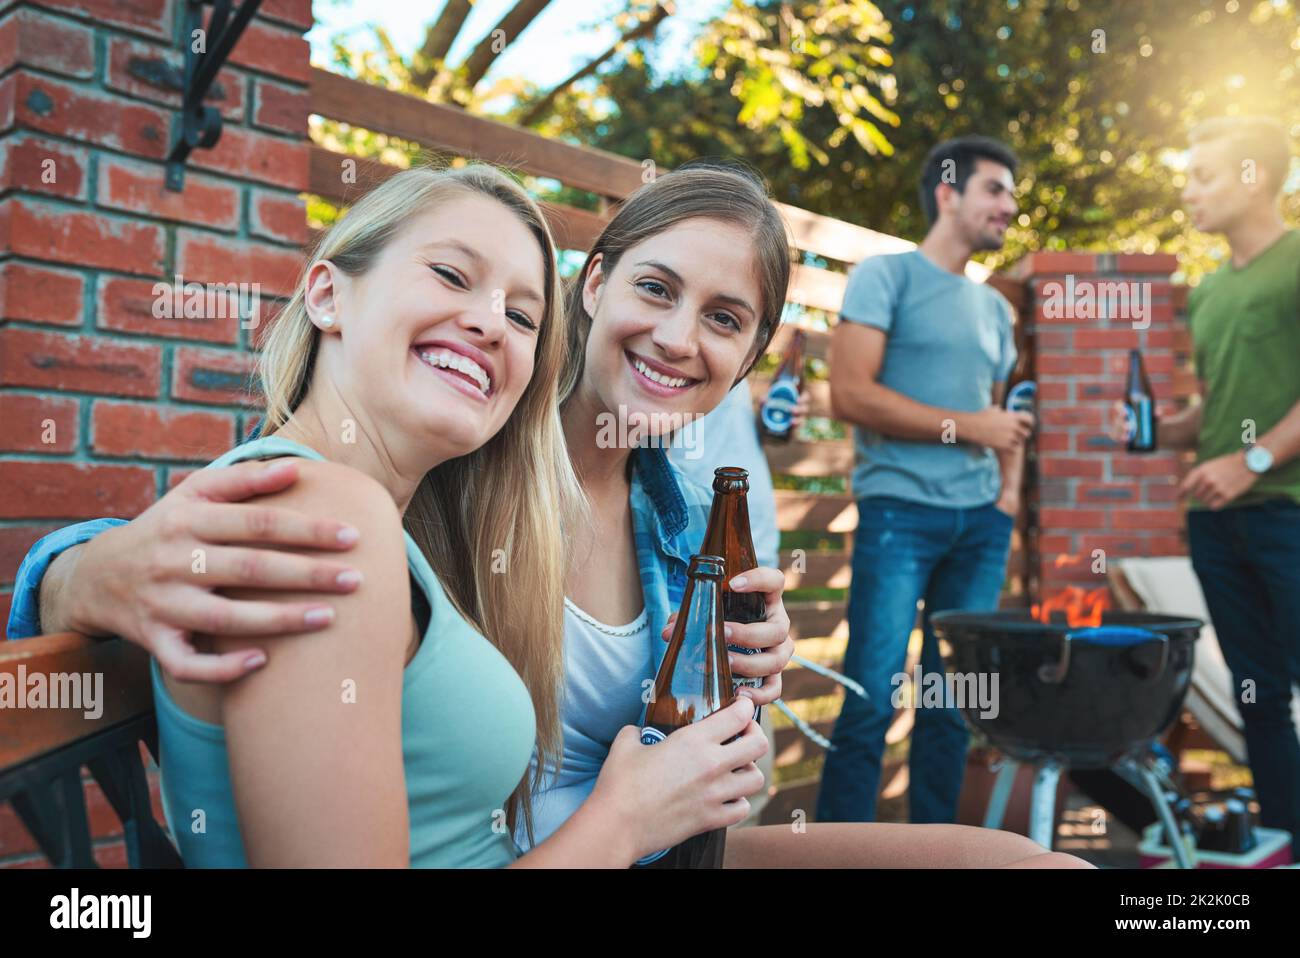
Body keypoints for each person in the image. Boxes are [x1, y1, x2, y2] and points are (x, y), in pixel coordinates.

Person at [12, 162, 1086, 868]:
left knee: (1027, 866)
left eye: (723, 319)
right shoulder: (435, 469)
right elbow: (233, 531)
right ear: (599, 285)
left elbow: (686, 768)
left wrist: (732, 717)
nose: (676, 340)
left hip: (651, 850)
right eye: (655, 291)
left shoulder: (671, 515)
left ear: (747, 363)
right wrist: (82, 570)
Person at [818, 136, 1032, 825]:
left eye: (1011, 193)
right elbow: (851, 394)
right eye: (995, 189)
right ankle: (837, 857)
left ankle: (935, 853)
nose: (1010, 204)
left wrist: (1007, 499)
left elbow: (1003, 417)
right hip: (899, 516)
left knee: (952, 705)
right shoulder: (886, 277)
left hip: (980, 524)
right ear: (948, 192)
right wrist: (972, 428)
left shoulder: (998, 312)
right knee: (870, 698)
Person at [1110, 116, 1300, 859]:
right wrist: (1163, 427)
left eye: (1205, 176)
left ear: (1254, 177)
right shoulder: (1211, 291)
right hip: (1220, 522)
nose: (1188, 191)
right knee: (1260, 694)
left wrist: (1250, 462)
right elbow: (1219, 407)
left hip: (1287, 510)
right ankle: (1290, 840)